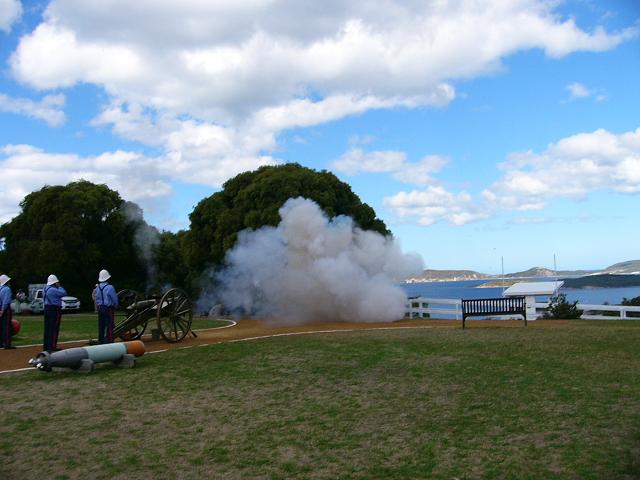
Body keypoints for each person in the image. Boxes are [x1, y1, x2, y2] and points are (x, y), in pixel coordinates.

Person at [43, 274, 67, 352]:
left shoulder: (45, 289)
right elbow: (64, 293)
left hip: (47, 308)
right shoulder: (54, 289)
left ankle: (46, 346)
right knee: (54, 328)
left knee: (47, 328)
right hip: (54, 309)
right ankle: (52, 346)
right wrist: (59, 286)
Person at [94, 269, 118, 344]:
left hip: (100, 307)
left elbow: (96, 298)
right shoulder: (110, 287)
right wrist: (116, 305)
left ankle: (101, 340)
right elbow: (114, 298)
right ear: (107, 278)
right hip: (108, 308)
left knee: (101, 325)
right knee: (109, 325)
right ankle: (109, 340)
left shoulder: (97, 288)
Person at [0, 274, 15, 349]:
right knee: (7, 326)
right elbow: (6, 302)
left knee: (1, 326)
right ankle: (7, 343)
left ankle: (1, 343)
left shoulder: (0, 289)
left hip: (0, 308)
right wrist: (3, 310)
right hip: (5, 309)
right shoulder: (7, 289)